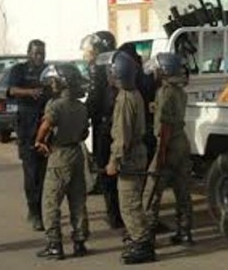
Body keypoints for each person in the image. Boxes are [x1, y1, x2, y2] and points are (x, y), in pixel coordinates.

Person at [102, 50, 156, 264]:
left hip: (130, 156)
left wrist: (114, 161)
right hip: (138, 153)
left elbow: (122, 136)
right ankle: (138, 237)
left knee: (129, 203)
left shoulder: (125, 99)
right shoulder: (135, 93)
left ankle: (142, 243)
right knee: (134, 200)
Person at [35, 63, 90, 260]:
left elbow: (46, 125)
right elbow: (84, 132)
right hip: (77, 153)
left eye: (54, 80)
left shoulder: (56, 105)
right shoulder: (82, 107)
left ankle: (54, 244)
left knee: (51, 201)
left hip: (59, 155)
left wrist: (39, 141)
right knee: (78, 200)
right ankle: (80, 242)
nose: (52, 84)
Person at [142, 52, 194, 246]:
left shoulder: (164, 92)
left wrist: (161, 153)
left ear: (163, 71)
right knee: (183, 191)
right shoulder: (180, 91)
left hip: (168, 144)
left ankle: (147, 236)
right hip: (182, 142)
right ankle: (185, 232)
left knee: (152, 191)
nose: (153, 72)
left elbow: (164, 126)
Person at [80, 31, 124, 229]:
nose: (87, 54)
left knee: (106, 169)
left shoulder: (99, 68)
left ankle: (114, 214)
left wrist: (81, 117)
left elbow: (95, 99)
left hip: (105, 126)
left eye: (90, 50)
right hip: (120, 123)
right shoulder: (120, 62)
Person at [8, 39, 48, 231]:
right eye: (36, 53)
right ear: (28, 53)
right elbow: (11, 89)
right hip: (26, 127)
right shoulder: (19, 70)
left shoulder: (48, 71)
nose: (40, 56)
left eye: (42, 53)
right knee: (31, 172)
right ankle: (35, 211)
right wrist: (29, 91)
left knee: (45, 172)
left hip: (46, 126)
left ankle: (45, 209)